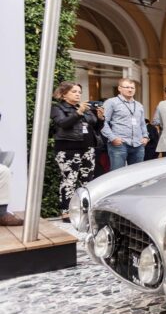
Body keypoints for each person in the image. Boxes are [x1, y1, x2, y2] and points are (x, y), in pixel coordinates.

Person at [50, 81, 104, 219]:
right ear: (63, 94)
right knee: (69, 180)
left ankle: (85, 210)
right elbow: (63, 123)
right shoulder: (57, 108)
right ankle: (66, 212)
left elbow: (95, 128)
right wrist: (79, 112)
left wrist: (100, 118)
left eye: (79, 92)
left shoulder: (84, 108)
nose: (78, 94)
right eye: (74, 92)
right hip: (68, 149)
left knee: (87, 181)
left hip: (88, 148)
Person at [102, 78, 148, 170]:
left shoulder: (139, 105)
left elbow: (142, 123)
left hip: (138, 144)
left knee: (137, 174)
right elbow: (103, 122)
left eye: (132, 88)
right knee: (117, 174)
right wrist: (112, 138)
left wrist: (145, 137)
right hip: (119, 144)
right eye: (127, 87)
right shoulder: (111, 102)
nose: (130, 90)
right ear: (119, 88)